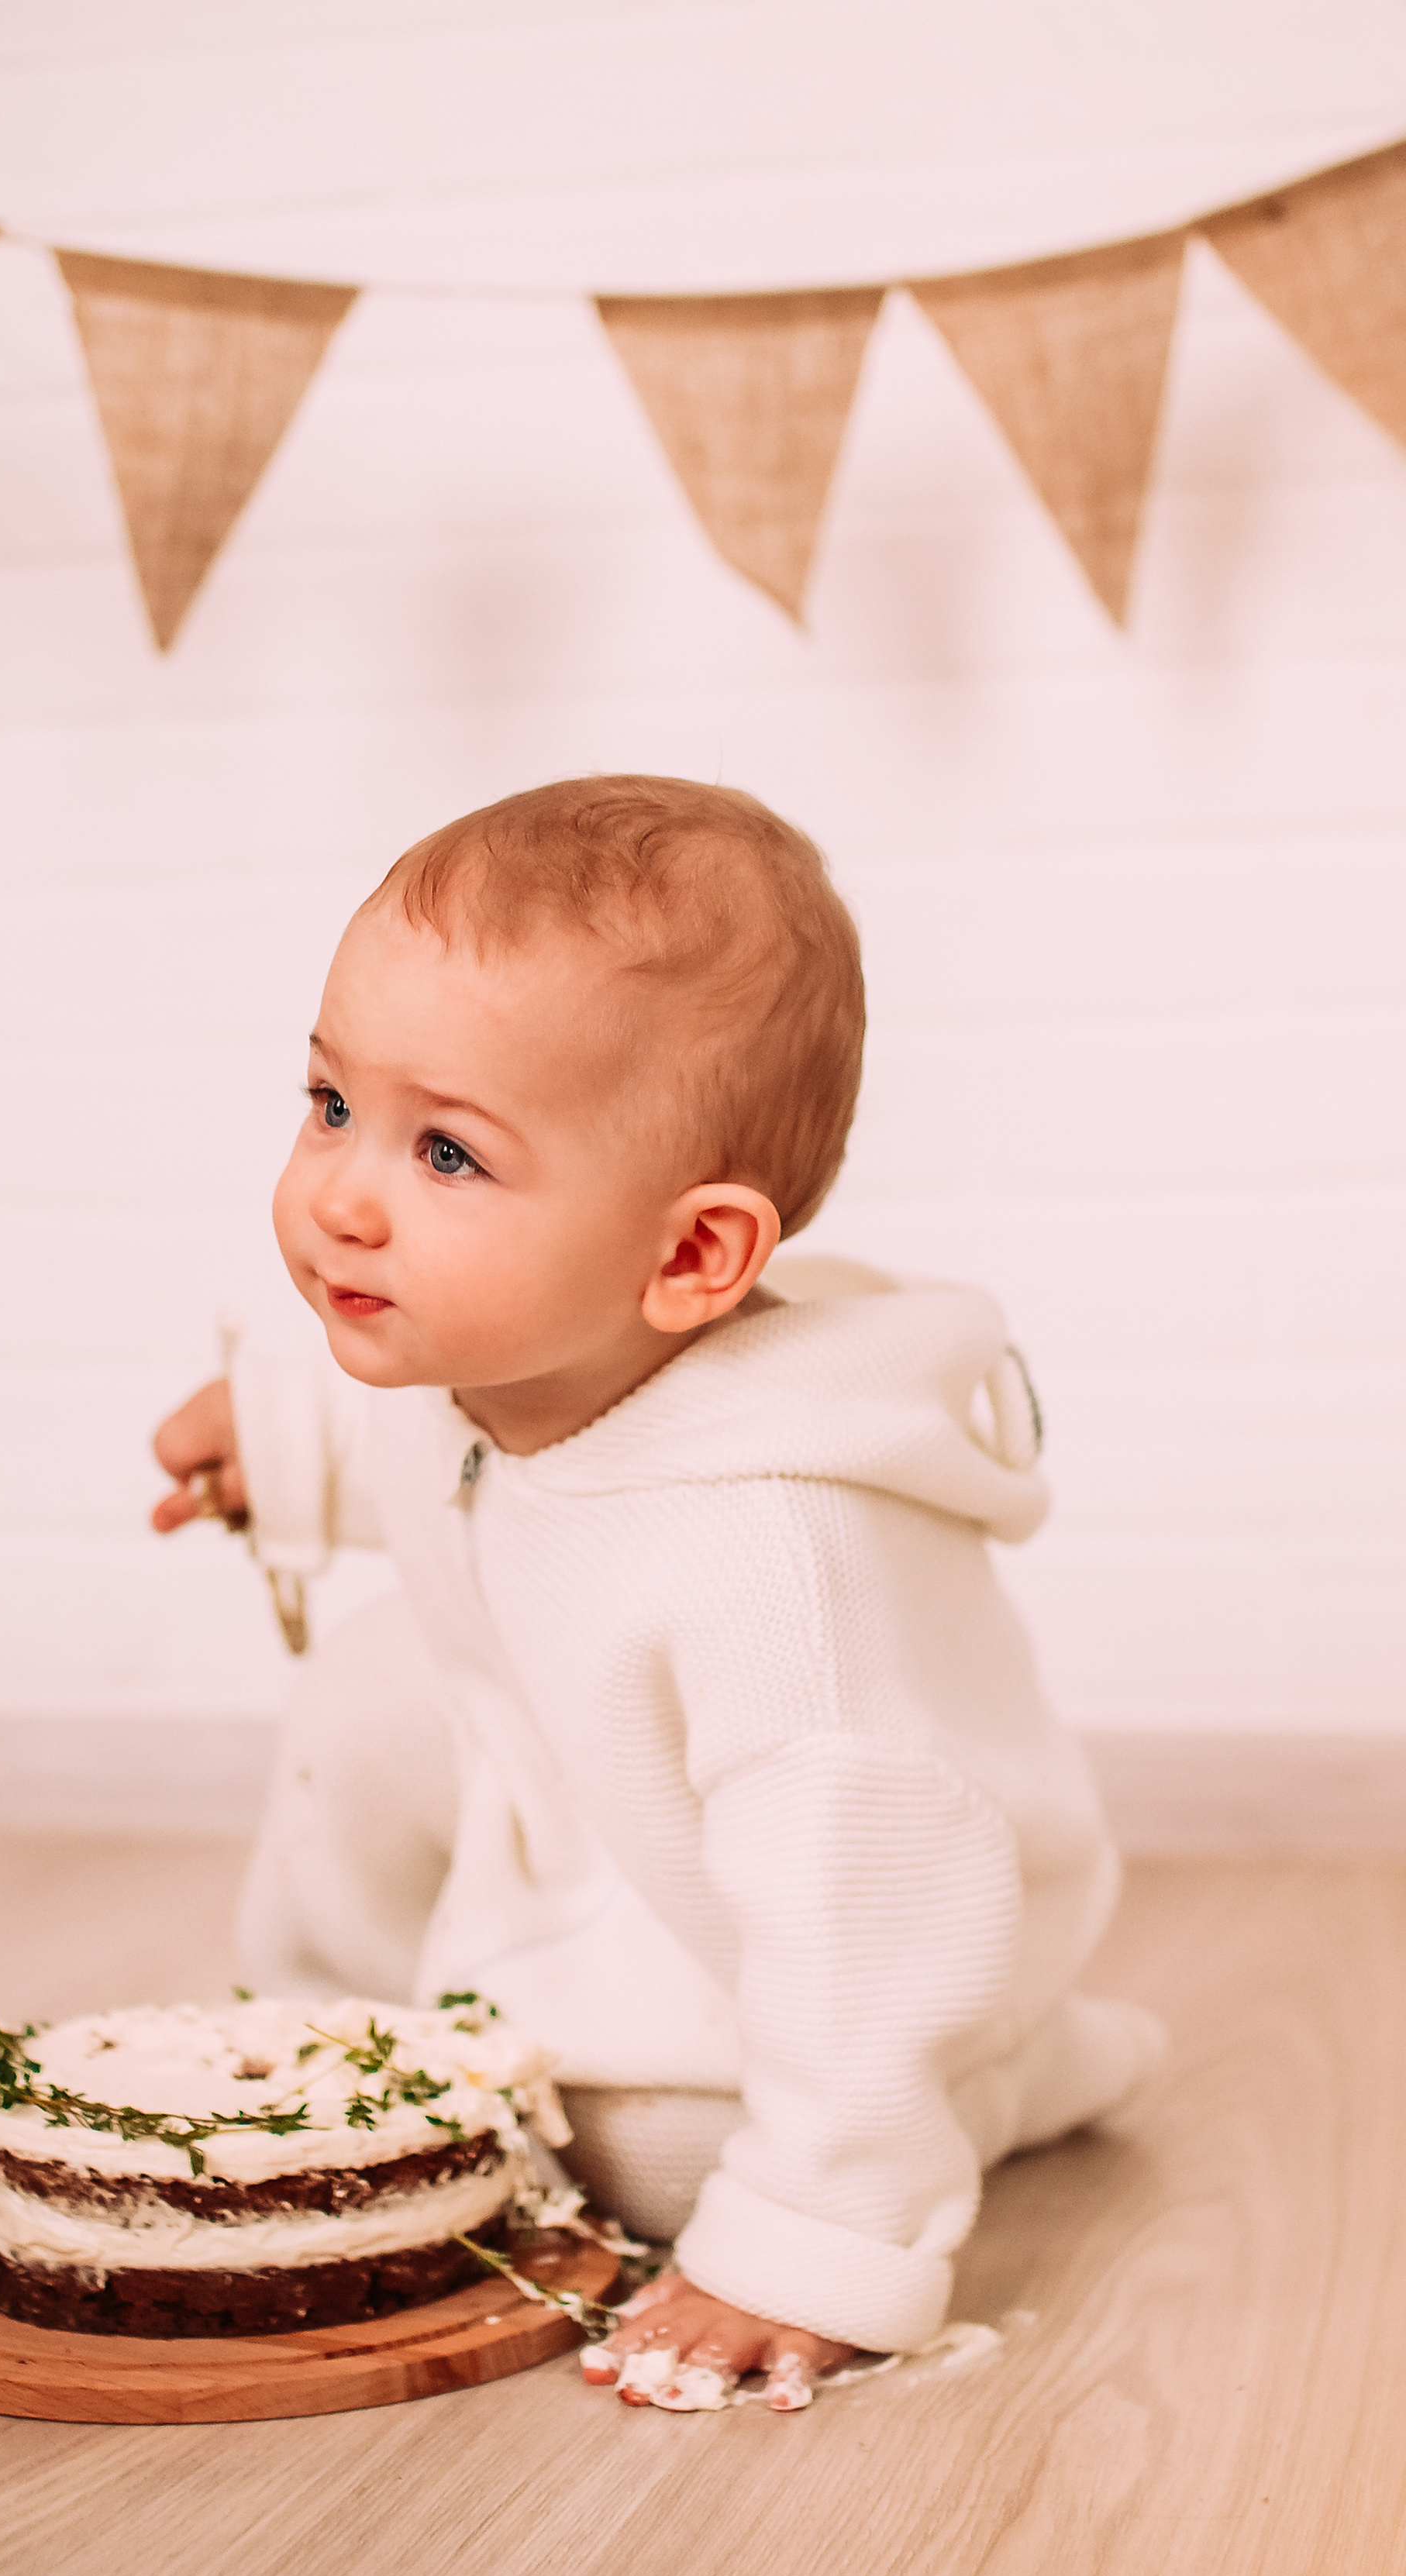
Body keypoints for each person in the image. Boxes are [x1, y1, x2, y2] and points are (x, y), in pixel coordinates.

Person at [150, 774, 1163, 2412]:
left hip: (869, 1938)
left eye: (447, 1153)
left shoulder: (771, 1563)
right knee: (369, 1687)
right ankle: (340, 2058)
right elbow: (457, 1455)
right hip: (598, 1812)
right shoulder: (515, 1348)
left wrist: (810, 2247)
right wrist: (283, 1440)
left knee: (667, 2162)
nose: (341, 1192)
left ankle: (986, 2087)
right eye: (331, 1106)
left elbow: (875, 1906)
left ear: (689, 1258)